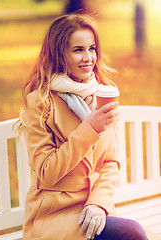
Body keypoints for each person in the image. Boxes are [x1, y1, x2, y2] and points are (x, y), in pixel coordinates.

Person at [20, 14, 148, 240]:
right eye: (78, 50)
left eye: (92, 48)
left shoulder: (101, 93)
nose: (88, 57)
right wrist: (90, 128)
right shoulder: (39, 102)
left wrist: (98, 204)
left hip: (93, 207)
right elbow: (47, 172)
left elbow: (110, 163)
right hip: (56, 213)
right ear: (59, 55)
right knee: (133, 233)